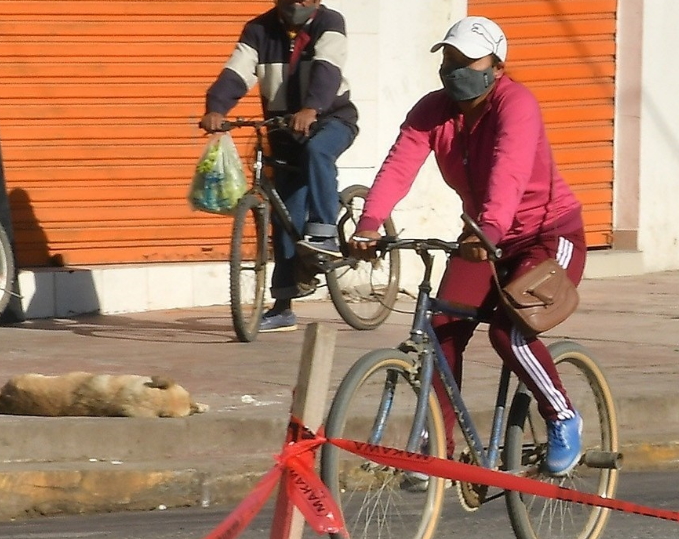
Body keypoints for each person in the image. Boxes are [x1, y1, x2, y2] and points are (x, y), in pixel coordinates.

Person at [350, 16, 588, 474]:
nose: (455, 68)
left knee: (510, 330)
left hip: (546, 234)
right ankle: (435, 443)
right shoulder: (433, 110)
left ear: (497, 66)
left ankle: (562, 415)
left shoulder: (516, 104)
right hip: (484, 237)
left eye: (467, 60)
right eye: (449, 58)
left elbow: (509, 169)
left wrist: (492, 229)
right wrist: (369, 224)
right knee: (440, 330)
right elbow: (399, 164)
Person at [199, 0, 359, 334]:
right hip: (283, 127)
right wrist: (216, 107)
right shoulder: (259, 29)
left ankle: (325, 233)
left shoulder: (329, 22)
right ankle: (283, 305)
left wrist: (312, 108)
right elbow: (237, 71)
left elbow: (327, 69)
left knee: (317, 151)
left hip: (331, 119)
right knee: (285, 210)